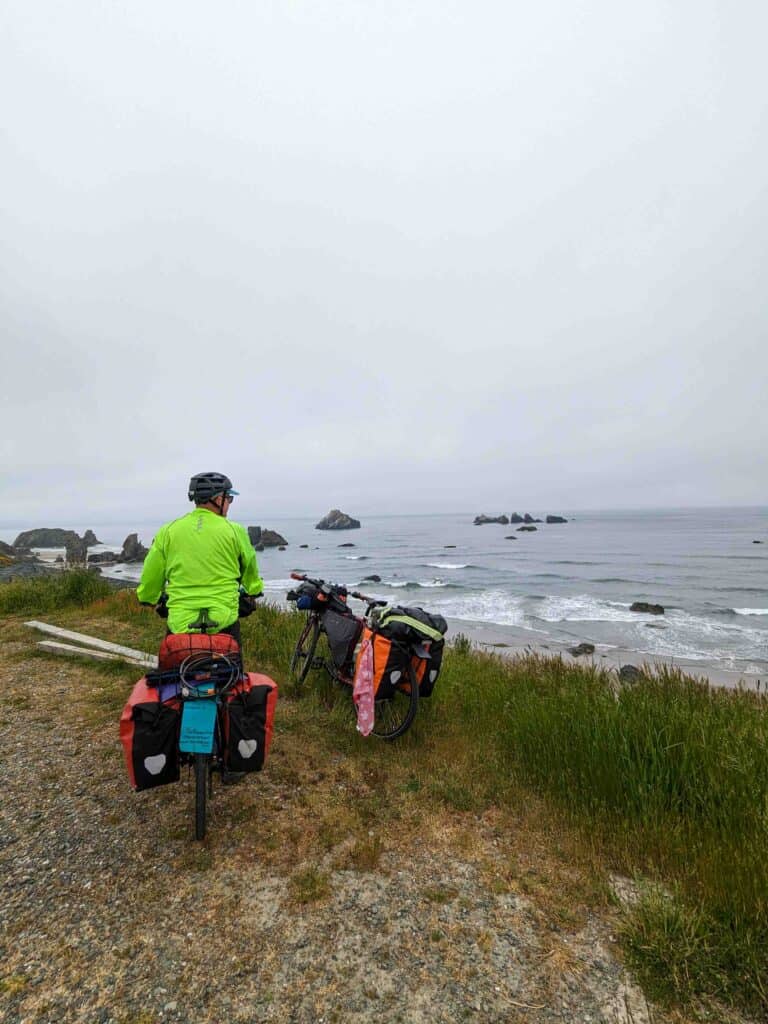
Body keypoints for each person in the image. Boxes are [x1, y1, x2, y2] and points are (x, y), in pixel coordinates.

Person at [137, 472, 264, 645]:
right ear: (218, 499)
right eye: (229, 499)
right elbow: (249, 567)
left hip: (180, 623)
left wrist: (150, 598)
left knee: (172, 667)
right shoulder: (235, 530)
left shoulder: (168, 531)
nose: (229, 504)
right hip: (224, 621)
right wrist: (253, 590)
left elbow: (151, 574)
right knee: (233, 670)